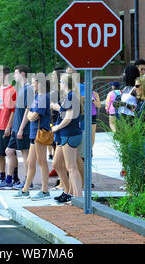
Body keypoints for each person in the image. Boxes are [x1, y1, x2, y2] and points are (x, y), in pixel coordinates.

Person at [13, 74, 52, 200]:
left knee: (42, 161)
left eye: (33, 82)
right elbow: (31, 113)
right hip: (33, 133)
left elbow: (34, 116)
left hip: (40, 133)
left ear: (39, 83)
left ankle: (45, 191)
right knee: (30, 162)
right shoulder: (36, 96)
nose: (31, 85)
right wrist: (31, 114)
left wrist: (30, 115)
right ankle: (25, 190)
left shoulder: (44, 97)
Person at [51, 73, 83, 202]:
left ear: (64, 84)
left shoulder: (71, 96)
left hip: (69, 134)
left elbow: (68, 117)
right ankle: (69, 192)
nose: (59, 85)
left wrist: (57, 127)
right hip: (66, 134)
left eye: (61, 82)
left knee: (71, 167)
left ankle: (78, 196)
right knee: (58, 163)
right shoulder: (69, 96)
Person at [6, 65, 34, 190]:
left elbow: (28, 110)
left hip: (23, 129)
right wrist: (13, 127)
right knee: (9, 151)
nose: (14, 75)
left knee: (25, 155)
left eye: (16, 73)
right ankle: (8, 179)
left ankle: (28, 181)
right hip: (16, 128)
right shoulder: (21, 88)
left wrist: (22, 128)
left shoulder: (28, 89)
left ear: (22, 74)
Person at [0, 66, 17, 189]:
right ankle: (2, 176)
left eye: (0, 75)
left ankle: (14, 177)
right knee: (0, 154)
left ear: (6, 76)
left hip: (6, 126)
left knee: (10, 153)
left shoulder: (12, 90)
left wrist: (8, 126)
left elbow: (13, 110)